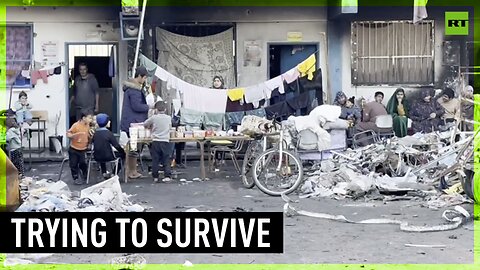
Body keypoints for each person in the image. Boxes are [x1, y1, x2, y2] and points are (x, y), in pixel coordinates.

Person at [120, 66, 150, 179]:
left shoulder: (131, 88)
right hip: (133, 123)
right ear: (140, 76)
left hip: (131, 122)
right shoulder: (134, 90)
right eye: (145, 78)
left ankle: (132, 170)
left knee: (134, 148)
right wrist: (149, 106)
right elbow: (136, 106)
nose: (145, 80)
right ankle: (131, 171)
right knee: (133, 148)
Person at [144, 101, 173, 183]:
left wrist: (150, 127)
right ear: (165, 109)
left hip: (156, 141)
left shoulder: (154, 118)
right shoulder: (168, 118)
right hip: (165, 141)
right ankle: (167, 175)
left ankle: (155, 177)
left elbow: (145, 124)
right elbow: (170, 127)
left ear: (156, 109)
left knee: (155, 160)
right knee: (166, 159)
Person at [92, 113, 126, 180]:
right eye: (108, 121)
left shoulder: (95, 134)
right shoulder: (109, 134)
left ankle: (104, 172)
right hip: (109, 156)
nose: (110, 122)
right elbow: (116, 145)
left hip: (97, 156)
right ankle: (114, 173)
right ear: (106, 123)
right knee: (123, 156)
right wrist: (123, 151)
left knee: (101, 152)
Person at [67, 110, 93, 185]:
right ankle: (75, 177)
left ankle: (85, 174)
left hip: (83, 149)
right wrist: (72, 136)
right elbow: (69, 133)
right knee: (73, 164)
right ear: (84, 118)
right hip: (74, 148)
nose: (90, 120)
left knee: (83, 163)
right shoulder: (76, 125)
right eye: (89, 118)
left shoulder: (88, 126)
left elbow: (89, 135)